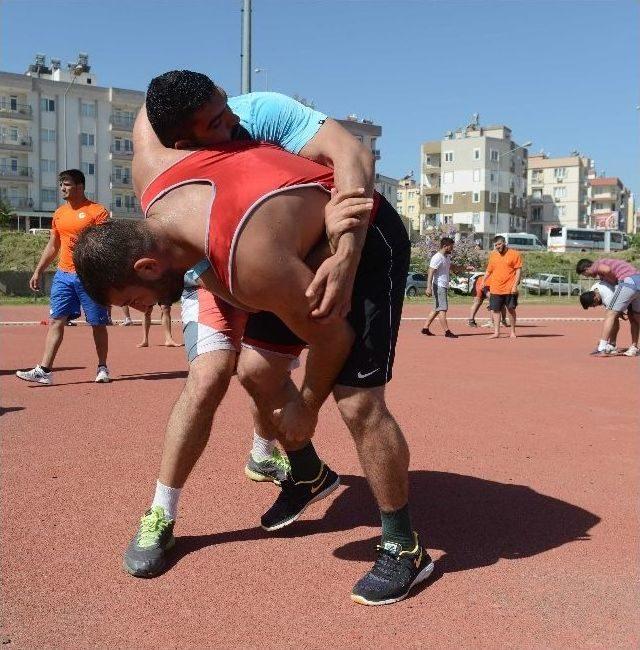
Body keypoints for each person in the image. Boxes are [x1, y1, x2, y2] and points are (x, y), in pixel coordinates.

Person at [73, 123, 434, 605]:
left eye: (133, 300)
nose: (140, 310)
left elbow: (333, 338)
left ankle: (404, 546)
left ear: (147, 267)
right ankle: (307, 472)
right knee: (256, 371)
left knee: (356, 404)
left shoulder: (249, 263)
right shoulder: (154, 188)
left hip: (363, 241)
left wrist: (306, 406)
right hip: (286, 243)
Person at [16, 170, 111, 385]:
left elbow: (107, 245)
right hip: (63, 274)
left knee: (97, 323)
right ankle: (44, 370)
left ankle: (102, 366)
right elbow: (53, 245)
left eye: (66, 184)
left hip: (90, 277)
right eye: (61, 184)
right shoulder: (59, 213)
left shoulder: (97, 211)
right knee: (56, 320)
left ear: (79, 186)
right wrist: (39, 270)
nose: (62, 188)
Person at [576, 258, 640, 355]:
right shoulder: (602, 276)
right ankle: (633, 347)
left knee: (610, 314)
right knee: (635, 317)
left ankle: (601, 347)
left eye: (585, 274)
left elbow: (607, 270)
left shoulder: (596, 266)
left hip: (628, 281)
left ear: (586, 269)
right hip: (637, 280)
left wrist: (615, 282)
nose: (587, 276)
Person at [483, 235, 522, 339]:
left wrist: (515, 286)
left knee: (510, 309)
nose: (497, 247)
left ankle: (513, 332)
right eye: (495, 245)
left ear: (504, 243)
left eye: (499, 244)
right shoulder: (493, 255)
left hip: (509, 288)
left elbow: (518, 271)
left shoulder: (514, 254)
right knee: (495, 310)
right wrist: (484, 280)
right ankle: (496, 332)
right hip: (495, 288)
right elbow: (489, 270)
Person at [421, 237, 457, 338]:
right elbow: (431, 271)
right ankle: (447, 332)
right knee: (442, 309)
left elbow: (451, 267)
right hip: (439, 286)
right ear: (445, 246)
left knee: (436, 309)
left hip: (443, 286)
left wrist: (465, 267)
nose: (452, 248)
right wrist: (428, 287)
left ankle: (425, 328)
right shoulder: (437, 257)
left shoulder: (447, 257)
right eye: (451, 246)